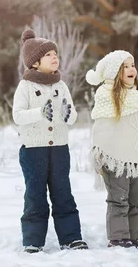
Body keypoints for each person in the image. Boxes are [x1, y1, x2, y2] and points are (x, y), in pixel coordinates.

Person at [12, 28, 88, 253]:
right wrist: (39, 113)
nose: (55, 57)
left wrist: (66, 113)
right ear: (35, 62)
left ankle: (71, 237)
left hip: (59, 149)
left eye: (55, 54)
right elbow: (17, 116)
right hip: (33, 150)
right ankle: (33, 241)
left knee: (63, 193)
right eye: (48, 55)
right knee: (35, 195)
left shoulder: (61, 85)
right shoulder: (25, 86)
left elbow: (72, 116)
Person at [86, 50, 138, 251]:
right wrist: (100, 152)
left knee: (135, 200)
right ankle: (118, 237)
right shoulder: (106, 95)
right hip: (113, 158)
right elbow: (102, 128)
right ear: (113, 72)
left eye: (132, 65)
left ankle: (134, 236)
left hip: (134, 159)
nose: (131, 69)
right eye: (125, 66)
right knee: (119, 199)